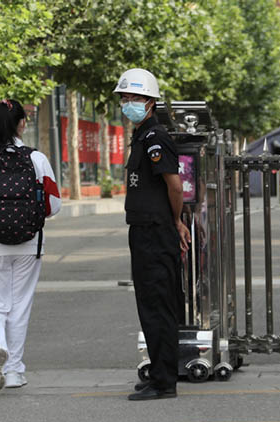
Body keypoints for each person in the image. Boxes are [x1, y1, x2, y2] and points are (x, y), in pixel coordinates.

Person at [0, 99, 61, 392]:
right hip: (29, 244)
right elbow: (54, 204)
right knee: (20, 306)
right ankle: (14, 373)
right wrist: (29, 217)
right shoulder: (37, 159)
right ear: (22, 124)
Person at [113, 68, 190, 401]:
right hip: (144, 230)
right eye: (125, 98)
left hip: (157, 231)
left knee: (158, 305)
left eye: (134, 98)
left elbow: (175, 186)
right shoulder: (142, 136)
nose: (128, 103)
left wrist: (176, 221)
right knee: (149, 304)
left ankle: (164, 381)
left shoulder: (156, 137)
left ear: (150, 101)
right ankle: (158, 372)